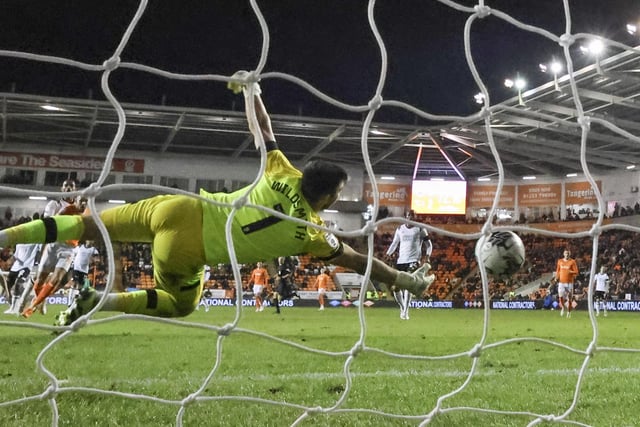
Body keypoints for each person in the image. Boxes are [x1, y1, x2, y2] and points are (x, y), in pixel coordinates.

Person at [0, 75, 435, 326]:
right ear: (326, 196)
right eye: (338, 194)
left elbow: (262, 130)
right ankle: (103, 302)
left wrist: (252, 89)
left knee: (85, 225)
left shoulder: (281, 169)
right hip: (190, 250)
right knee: (182, 305)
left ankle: (6, 235)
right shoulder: (312, 233)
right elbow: (362, 263)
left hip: (178, 205)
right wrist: (408, 281)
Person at [21, 180, 81, 317]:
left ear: (75, 189)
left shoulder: (79, 207)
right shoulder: (55, 204)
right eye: (66, 185)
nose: (68, 188)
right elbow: (48, 222)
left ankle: (34, 304)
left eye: (71, 186)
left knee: (57, 278)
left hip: (69, 248)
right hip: (54, 245)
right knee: (40, 279)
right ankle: (39, 300)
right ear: (61, 188)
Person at [385, 210, 432, 320]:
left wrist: (427, 256)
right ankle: (402, 307)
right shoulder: (400, 229)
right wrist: (388, 254)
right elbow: (394, 243)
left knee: (408, 286)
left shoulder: (420, 229)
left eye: (413, 216)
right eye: (408, 216)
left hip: (414, 260)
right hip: (401, 261)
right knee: (395, 288)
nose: (410, 218)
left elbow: (429, 245)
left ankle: (405, 312)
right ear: (405, 217)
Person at [2, 223, 41, 315]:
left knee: (18, 284)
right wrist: (11, 259)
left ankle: (14, 308)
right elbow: (16, 255)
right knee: (8, 285)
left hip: (26, 266)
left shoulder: (35, 241)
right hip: (16, 266)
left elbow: (41, 248)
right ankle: (13, 305)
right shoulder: (19, 242)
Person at [68, 240, 100, 305]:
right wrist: (71, 261)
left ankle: (76, 302)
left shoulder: (94, 250)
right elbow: (72, 252)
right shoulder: (80, 247)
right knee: (74, 284)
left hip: (84, 270)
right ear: (86, 241)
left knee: (80, 286)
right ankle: (69, 302)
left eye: (91, 241)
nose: (90, 242)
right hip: (76, 267)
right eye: (89, 240)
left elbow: (97, 259)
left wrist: (96, 261)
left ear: (93, 242)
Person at [555, 249, 579, 318]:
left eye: (568, 253)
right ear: (563, 254)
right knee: (560, 296)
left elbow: (576, 272)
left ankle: (569, 312)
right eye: (566, 253)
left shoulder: (572, 261)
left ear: (569, 254)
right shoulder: (560, 261)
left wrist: (570, 272)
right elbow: (558, 271)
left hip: (569, 283)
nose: (567, 255)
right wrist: (557, 277)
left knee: (569, 298)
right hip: (561, 282)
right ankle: (562, 308)